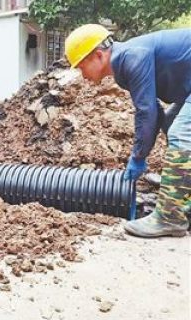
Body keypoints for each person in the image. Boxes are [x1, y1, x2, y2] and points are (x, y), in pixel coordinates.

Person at [65, 25, 190, 237]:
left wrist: (139, 156)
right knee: (171, 124)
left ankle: (170, 219)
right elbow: (156, 113)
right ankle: (181, 200)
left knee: (181, 133)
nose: (81, 74)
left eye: (80, 66)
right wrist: (140, 154)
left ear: (98, 55)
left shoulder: (133, 57)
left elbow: (147, 112)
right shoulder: (125, 64)